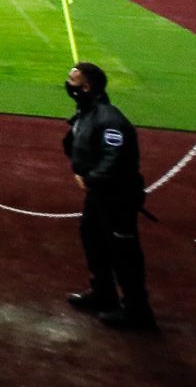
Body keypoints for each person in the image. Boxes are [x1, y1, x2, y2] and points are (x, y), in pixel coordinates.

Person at [62, 62, 153, 329]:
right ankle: (103, 292)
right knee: (93, 239)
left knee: (124, 251)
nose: (68, 83)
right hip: (99, 194)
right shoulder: (87, 113)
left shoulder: (109, 119)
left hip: (117, 195)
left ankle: (137, 310)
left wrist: (91, 179)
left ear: (86, 86)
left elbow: (115, 157)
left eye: (72, 79)